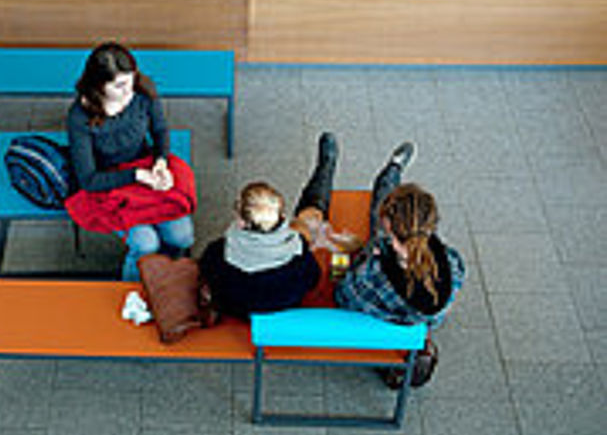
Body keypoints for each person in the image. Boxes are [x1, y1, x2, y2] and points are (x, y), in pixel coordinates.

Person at [296, 132, 465, 328]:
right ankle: (393, 169)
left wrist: (359, 257)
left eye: (388, 230)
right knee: (381, 208)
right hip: (412, 319)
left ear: (393, 239)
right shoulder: (452, 262)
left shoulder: (374, 274)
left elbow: (343, 296)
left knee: (337, 239)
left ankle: (351, 169)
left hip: (372, 299)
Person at [67, 42, 194, 281]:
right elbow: (88, 179)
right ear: (98, 86)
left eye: (131, 80)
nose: (130, 91)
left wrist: (160, 162)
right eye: (120, 85)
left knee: (182, 237)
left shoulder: (143, 92)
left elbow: (160, 131)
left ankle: (165, 278)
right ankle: (133, 292)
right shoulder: (79, 117)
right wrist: (136, 175)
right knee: (146, 243)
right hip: (109, 184)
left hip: (144, 167)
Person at [198, 182, 321, 317]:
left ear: (242, 223)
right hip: (285, 308)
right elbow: (314, 278)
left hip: (238, 311)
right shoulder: (299, 250)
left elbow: (206, 273)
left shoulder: (219, 252)